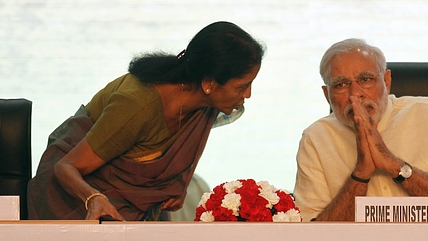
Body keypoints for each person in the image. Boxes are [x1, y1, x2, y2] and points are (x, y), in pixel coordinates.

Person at [28, 21, 265, 221]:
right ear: (209, 83)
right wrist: (94, 198)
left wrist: (180, 184)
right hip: (74, 203)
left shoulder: (204, 103)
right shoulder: (137, 105)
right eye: (242, 86)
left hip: (140, 209)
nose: (248, 95)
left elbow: (189, 146)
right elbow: (66, 167)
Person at [293, 38, 428, 222]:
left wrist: (394, 165)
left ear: (386, 81)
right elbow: (311, 235)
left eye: (366, 79)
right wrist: (360, 173)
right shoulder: (315, 138)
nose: (355, 94)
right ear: (327, 95)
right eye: (341, 84)